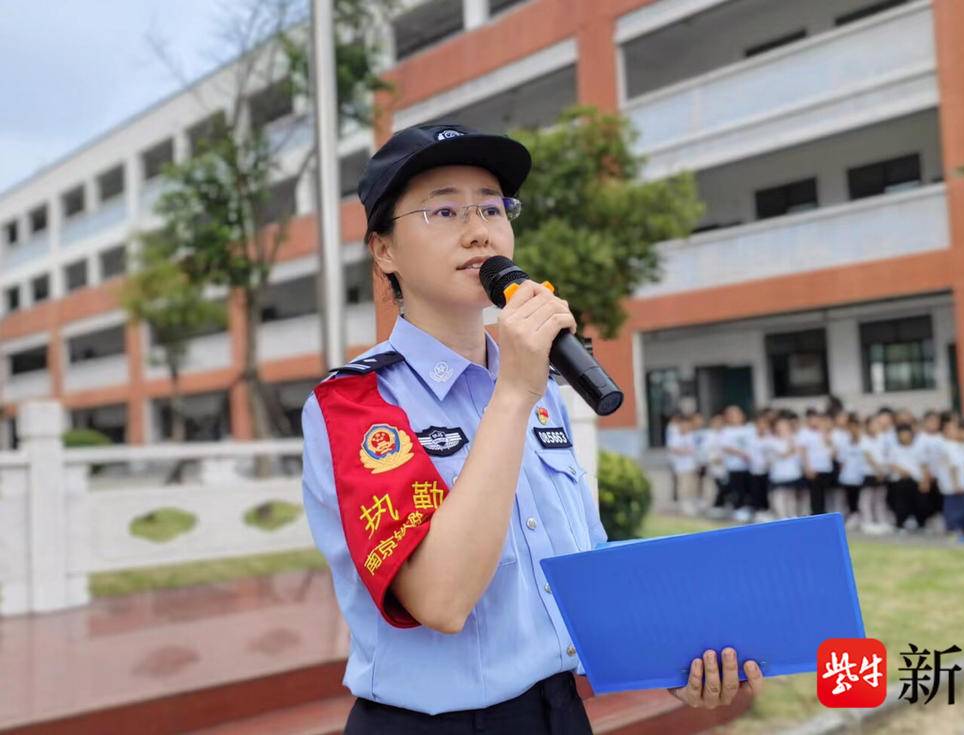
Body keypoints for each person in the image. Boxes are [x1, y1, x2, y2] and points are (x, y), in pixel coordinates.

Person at [301, 123, 763, 733]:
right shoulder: (360, 404)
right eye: (443, 209)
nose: (478, 229)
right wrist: (517, 390)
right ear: (384, 251)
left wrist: (667, 660)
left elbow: (581, 560)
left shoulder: (534, 385)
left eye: (492, 207)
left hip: (558, 713)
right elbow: (440, 599)